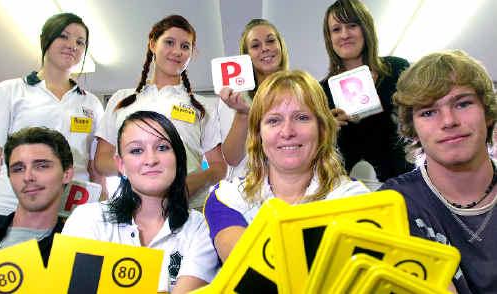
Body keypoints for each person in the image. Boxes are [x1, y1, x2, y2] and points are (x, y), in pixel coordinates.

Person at [205, 70, 369, 262]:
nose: (287, 131)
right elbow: (252, 273)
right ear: (258, 135)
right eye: (274, 120)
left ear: (322, 129)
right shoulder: (227, 197)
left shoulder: (354, 197)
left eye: (301, 118)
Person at [380, 50, 497, 293]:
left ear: (487, 112)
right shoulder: (394, 204)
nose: (448, 121)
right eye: (428, 112)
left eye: (463, 103)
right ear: (412, 128)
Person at [63, 111, 219, 293]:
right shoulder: (87, 219)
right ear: (121, 165)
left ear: (178, 158)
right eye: (136, 150)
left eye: (162, 148)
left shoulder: (200, 228)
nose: (151, 160)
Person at [95, 15, 225, 208]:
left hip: (188, 208)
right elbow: (101, 160)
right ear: (153, 44)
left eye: (185, 46)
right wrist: (139, 172)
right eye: (169, 42)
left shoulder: (202, 106)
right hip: (132, 207)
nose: (177, 51)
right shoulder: (121, 99)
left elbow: (218, 167)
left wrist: (191, 184)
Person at [0, 12, 104, 216]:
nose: (72, 45)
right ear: (45, 39)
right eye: (63, 36)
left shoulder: (91, 103)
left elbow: (94, 168)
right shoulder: (10, 91)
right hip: (10, 207)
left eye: (80, 42)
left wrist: (104, 209)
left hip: (71, 212)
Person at [320, 0, 412, 182]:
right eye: (336, 29)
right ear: (329, 38)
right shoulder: (320, 91)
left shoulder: (397, 69)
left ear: (365, 29)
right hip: (349, 189)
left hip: (404, 181)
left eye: (352, 25)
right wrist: (325, 130)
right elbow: (319, 153)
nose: (344, 34)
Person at [218, 18, 289, 179]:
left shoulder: (299, 91)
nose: (265, 48)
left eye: (270, 41)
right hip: (249, 189)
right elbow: (232, 158)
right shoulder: (233, 97)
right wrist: (242, 114)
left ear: (281, 46)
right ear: (246, 56)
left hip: (291, 185)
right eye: (255, 46)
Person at [0, 127, 74, 266]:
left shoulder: (72, 253)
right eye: (18, 169)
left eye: (41, 166)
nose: (28, 177)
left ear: (67, 174)